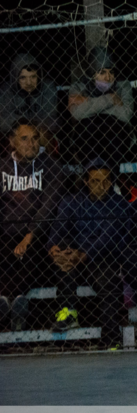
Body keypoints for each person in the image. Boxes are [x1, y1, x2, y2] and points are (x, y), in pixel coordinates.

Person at [46, 159, 137, 344]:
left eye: (105, 181)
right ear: (87, 182)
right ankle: (68, 312)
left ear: (111, 181)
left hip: (104, 257)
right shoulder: (71, 202)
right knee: (63, 249)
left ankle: (111, 339)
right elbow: (58, 227)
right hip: (75, 256)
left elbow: (108, 237)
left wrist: (83, 254)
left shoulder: (118, 203)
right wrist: (54, 248)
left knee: (109, 280)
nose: (101, 186)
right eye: (95, 181)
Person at [0, 120, 63, 331]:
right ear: (12, 142)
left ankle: (10, 300)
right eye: (24, 139)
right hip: (6, 230)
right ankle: (13, 301)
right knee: (6, 250)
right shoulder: (2, 168)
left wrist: (30, 235)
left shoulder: (51, 167)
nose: (31, 143)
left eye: (35, 138)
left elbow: (48, 206)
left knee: (32, 251)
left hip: (37, 232)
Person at [67, 47, 135, 164]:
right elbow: (77, 114)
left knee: (109, 126)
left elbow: (126, 114)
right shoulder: (79, 87)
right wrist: (110, 99)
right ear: (92, 73)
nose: (108, 78)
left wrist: (89, 103)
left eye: (111, 72)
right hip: (88, 136)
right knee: (89, 128)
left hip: (115, 135)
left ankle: (110, 177)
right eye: (102, 72)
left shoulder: (123, 85)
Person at [0, 54, 60, 138]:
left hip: (41, 134)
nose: (29, 83)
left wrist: (19, 121)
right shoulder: (6, 89)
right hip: (17, 135)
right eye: (23, 78)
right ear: (15, 78)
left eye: (33, 77)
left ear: (39, 76)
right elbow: (3, 122)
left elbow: (51, 121)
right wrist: (33, 122)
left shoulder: (48, 87)